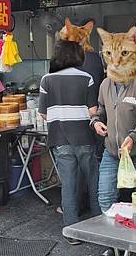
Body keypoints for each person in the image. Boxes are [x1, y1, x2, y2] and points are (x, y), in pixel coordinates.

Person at [91, 27, 136, 214]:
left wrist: (132, 138)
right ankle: (114, 241)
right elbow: (101, 110)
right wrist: (96, 122)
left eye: (123, 53)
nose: (115, 62)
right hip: (112, 154)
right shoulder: (105, 84)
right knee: (105, 198)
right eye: (108, 54)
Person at [39, 40, 101, 245]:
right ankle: (99, 226)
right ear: (78, 56)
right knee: (93, 180)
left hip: (60, 138)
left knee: (68, 184)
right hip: (84, 137)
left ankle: (72, 232)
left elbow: (43, 114)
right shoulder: (87, 78)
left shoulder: (47, 80)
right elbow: (93, 112)